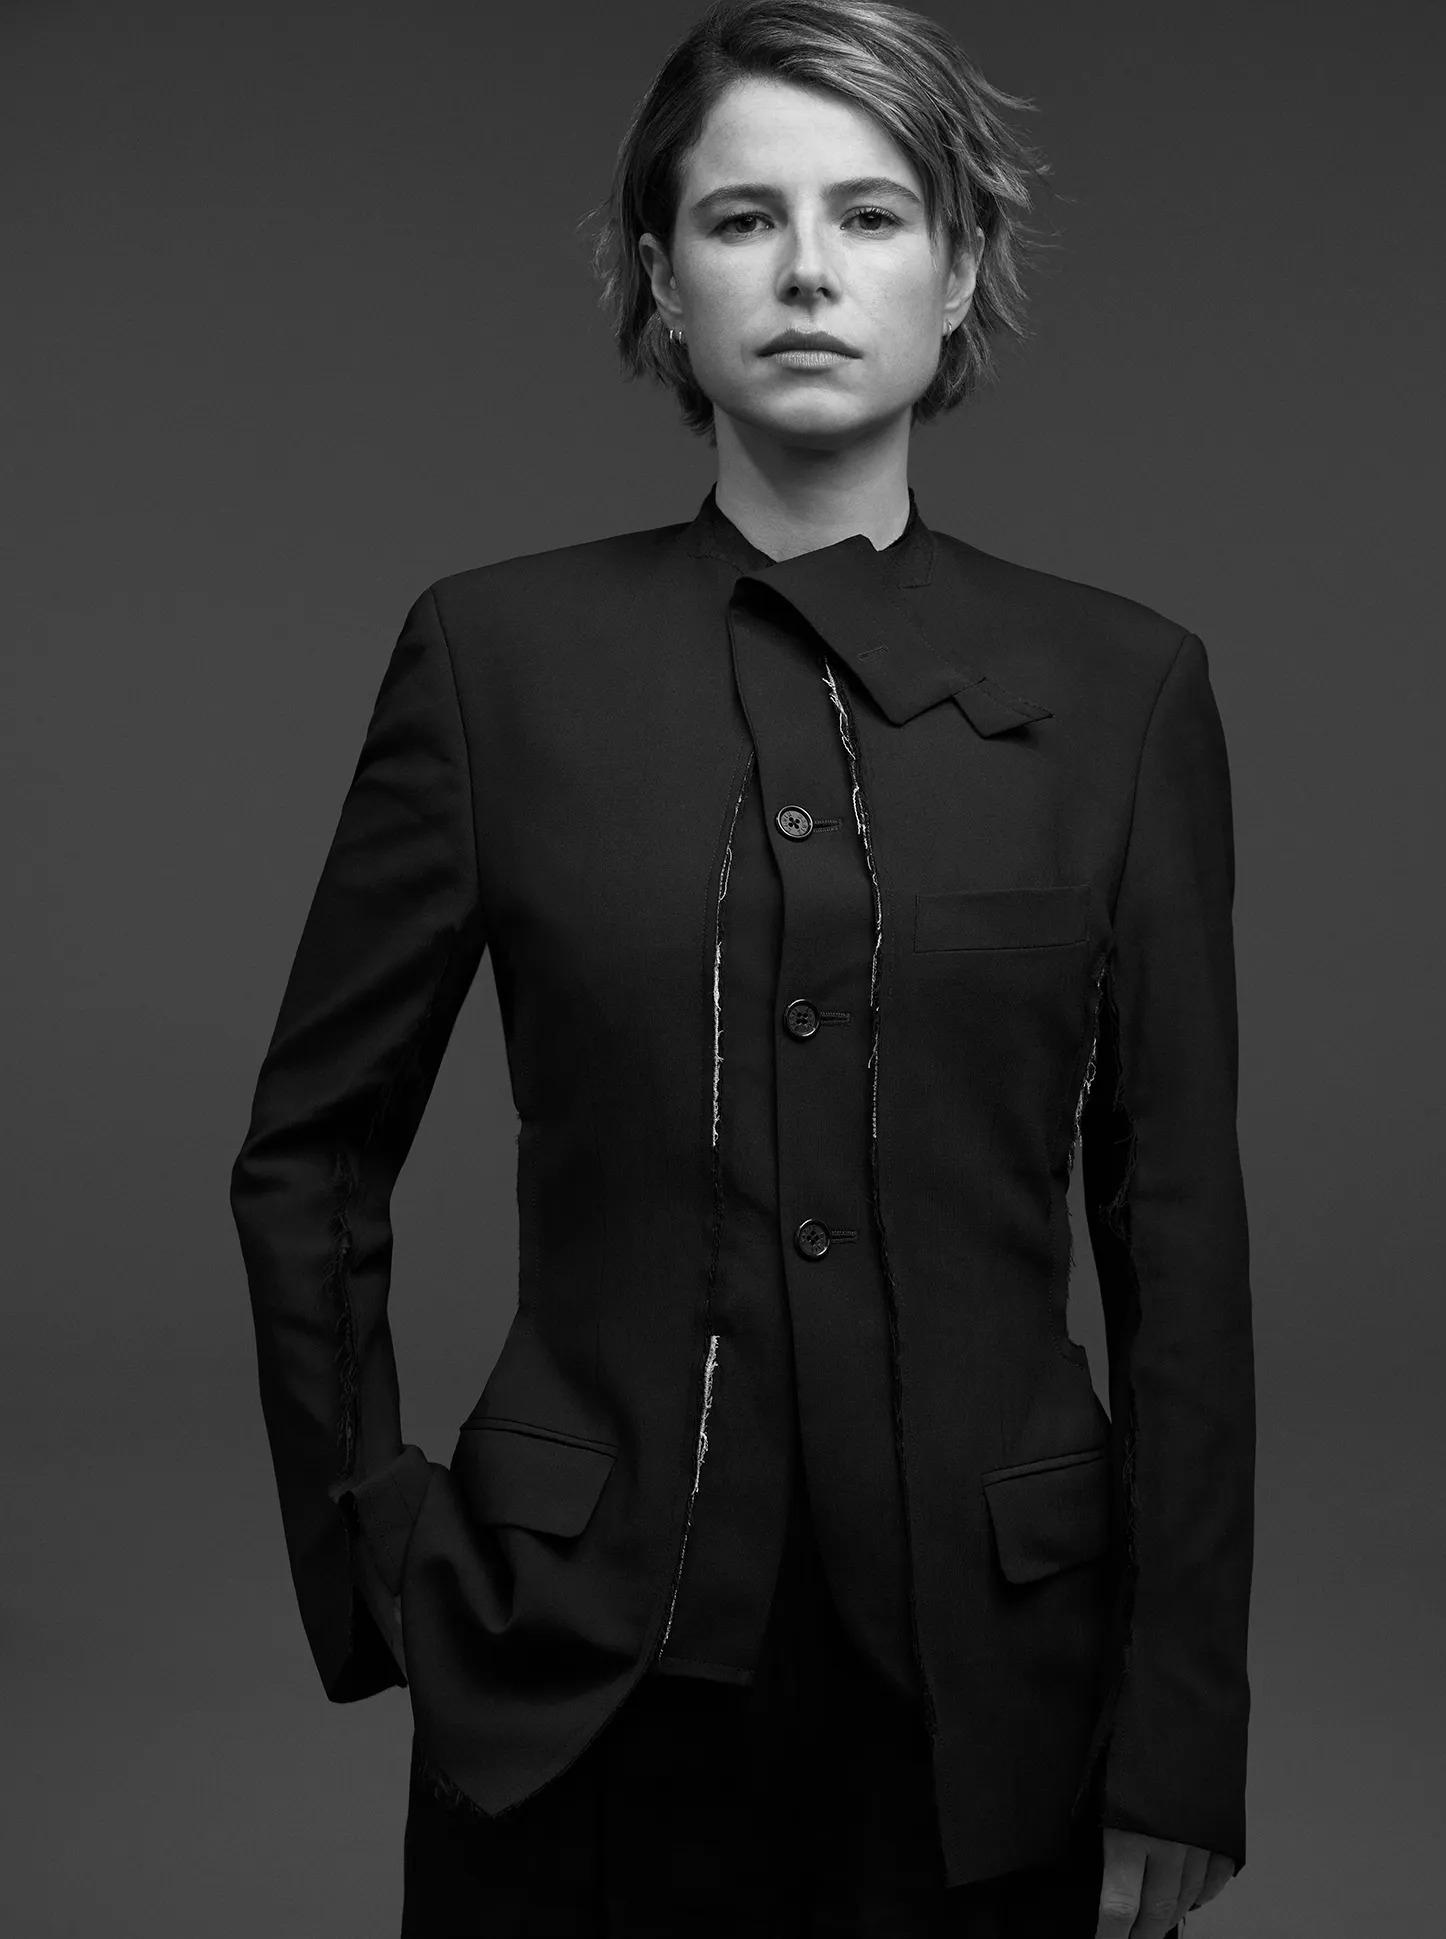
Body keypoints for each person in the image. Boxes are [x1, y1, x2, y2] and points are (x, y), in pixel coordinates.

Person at [228, 2, 1254, 1933]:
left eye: (870, 215)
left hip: (1003, 1710)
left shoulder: (1125, 692)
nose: (805, 271)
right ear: (659, 279)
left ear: (960, 273)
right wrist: (380, 1552)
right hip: (565, 1686)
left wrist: (1182, 1727)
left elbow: (1179, 1236)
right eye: (740, 218)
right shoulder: (496, 663)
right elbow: (311, 1154)